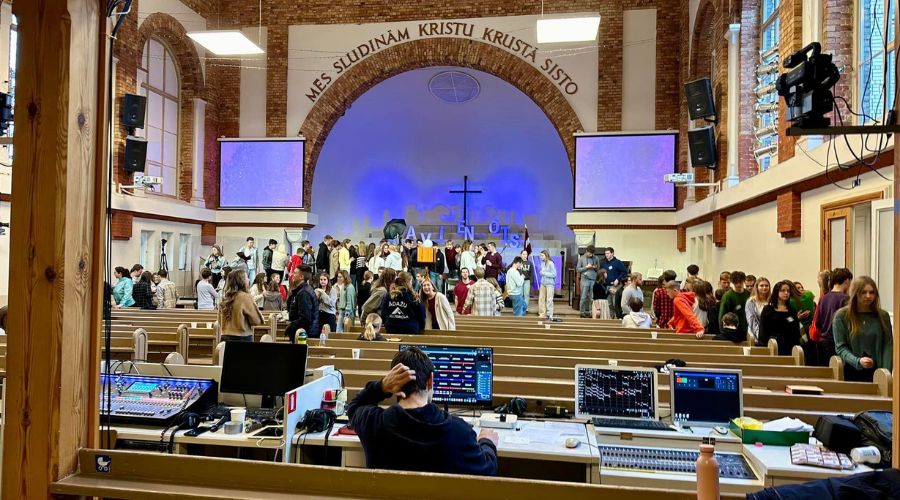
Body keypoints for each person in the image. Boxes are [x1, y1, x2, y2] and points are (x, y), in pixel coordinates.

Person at [347, 347, 499, 475]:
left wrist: (381, 386)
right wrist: (487, 442)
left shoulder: (372, 423)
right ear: (430, 381)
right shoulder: (460, 431)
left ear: (393, 382)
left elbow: (354, 407)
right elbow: (488, 470)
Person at [832, 276, 893, 381]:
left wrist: (885, 372)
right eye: (863, 292)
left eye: (872, 292)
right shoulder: (842, 316)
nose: (868, 296)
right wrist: (857, 361)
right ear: (855, 294)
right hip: (851, 371)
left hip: (878, 372)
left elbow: (888, 345)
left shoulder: (883, 316)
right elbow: (840, 347)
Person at [814, 268, 853, 365]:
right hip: (838, 343)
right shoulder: (846, 299)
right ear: (847, 281)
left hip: (823, 342)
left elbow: (818, 322)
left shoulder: (823, 298)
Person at [217, 269, 264, 342]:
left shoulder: (224, 297)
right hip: (242, 338)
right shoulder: (246, 297)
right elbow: (256, 321)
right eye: (246, 278)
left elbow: (219, 320)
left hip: (225, 337)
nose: (248, 279)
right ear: (241, 281)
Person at [759, 280, 802, 355]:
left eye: (788, 291)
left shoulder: (792, 311)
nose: (786, 293)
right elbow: (763, 332)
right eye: (783, 290)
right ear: (776, 292)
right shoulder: (768, 309)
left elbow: (796, 332)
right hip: (772, 347)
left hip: (789, 348)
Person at [285, 266, 320, 342]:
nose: (292, 275)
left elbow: (305, 318)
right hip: (303, 332)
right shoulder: (302, 290)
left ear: (301, 277)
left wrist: (291, 326)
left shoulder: (303, 293)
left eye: (295, 273)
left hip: (303, 334)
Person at [717, 271, 750, 343]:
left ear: (744, 281)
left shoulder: (748, 294)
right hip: (732, 332)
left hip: (746, 330)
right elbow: (722, 315)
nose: (738, 284)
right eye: (736, 282)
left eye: (740, 282)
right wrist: (723, 332)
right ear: (732, 282)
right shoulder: (727, 296)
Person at [576, 245, 601, 318]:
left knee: (592, 297)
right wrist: (586, 267)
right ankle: (582, 312)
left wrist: (594, 267)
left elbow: (598, 269)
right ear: (586, 251)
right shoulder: (582, 258)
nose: (590, 255)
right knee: (583, 297)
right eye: (589, 253)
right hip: (584, 280)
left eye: (591, 254)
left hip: (593, 279)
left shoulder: (596, 258)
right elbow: (578, 269)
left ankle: (591, 312)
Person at [601, 247, 627, 317]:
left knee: (616, 303)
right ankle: (611, 318)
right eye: (605, 253)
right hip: (606, 286)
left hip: (615, 286)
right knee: (609, 304)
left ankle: (617, 318)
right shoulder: (604, 263)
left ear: (612, 253)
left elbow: (624, 272)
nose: (606, 255)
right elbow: (601, 273)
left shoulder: (618, 262)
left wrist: (618, 279)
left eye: (608, 253)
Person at [745, 277, 771, 344]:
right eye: (761, 285)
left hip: (769, 335)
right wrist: (760, 336)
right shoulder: (751, 302)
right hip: (755, 336)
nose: (764, 288)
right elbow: (751, 320)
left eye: (766, 285)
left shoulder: (772, 301)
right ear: (757, 287)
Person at [537, 250, 557, 319]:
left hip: (550, 284)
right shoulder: (542, 263)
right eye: (540, 255)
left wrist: (544, 273)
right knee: (541, 298)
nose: (541, 257)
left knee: (549, 299)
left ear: (546, 255)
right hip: (543, 283)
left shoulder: (551, 263)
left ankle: (549, 314)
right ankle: (542, 313)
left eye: (542, 255)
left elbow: (554, 274)